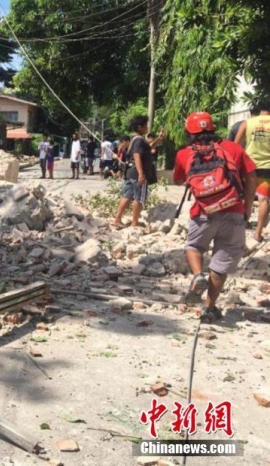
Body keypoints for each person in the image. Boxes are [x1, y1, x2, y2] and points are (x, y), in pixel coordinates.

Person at [174, 112, 257, 322]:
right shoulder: (234, 148)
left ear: (188, 132)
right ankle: (209, 308)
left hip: (203, 212)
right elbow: (251, 177)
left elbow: (177, 180)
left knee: (194, 247)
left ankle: (197, 275)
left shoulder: (184, 154)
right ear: (213, 128)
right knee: (221, 263)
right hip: (233, 210)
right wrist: (247, 207)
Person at [234, 101, 270, 241]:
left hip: (249, 166)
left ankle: (242, 226)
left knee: (247, 196)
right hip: (268, 167)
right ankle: (258, 233)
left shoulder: (247, 123)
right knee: (264, 199)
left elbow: (235, 146)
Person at [112, 116, 156, 228]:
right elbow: (137, 155)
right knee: (138, 198)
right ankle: (135, 222)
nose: (147, 127)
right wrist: (141, 174)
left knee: (127, 196)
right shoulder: (139, 140)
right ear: (140, 127)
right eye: (146, 125)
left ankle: (117, 219)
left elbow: (146, 148)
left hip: (130, 173)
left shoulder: (135, 139)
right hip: (137, 174)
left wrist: (158, 140)